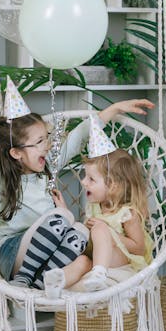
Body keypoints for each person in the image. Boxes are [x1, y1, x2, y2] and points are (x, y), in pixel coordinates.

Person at [0, 68, 154, 294]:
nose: (48, 146)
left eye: (47, 138)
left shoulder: (47, 168)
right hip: (13, 255)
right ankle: (23, 279)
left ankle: (41, 283)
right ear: (16, 153)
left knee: (81, 231)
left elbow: (78, 137)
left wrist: (114, 109)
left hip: (45, 260)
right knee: (63, 216)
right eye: (40, 141)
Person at [43, 115, 154, 296]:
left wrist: (110, 234)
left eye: (91, 179)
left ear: (112, 186)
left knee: (100, 229)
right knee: (82, 262)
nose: (84, 182)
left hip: (122, 259)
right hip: (95, 257)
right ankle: (58, 284)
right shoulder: (95, 206)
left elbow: (139, 248)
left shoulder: (128, 214)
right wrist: (63, 211)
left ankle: (99, 274)